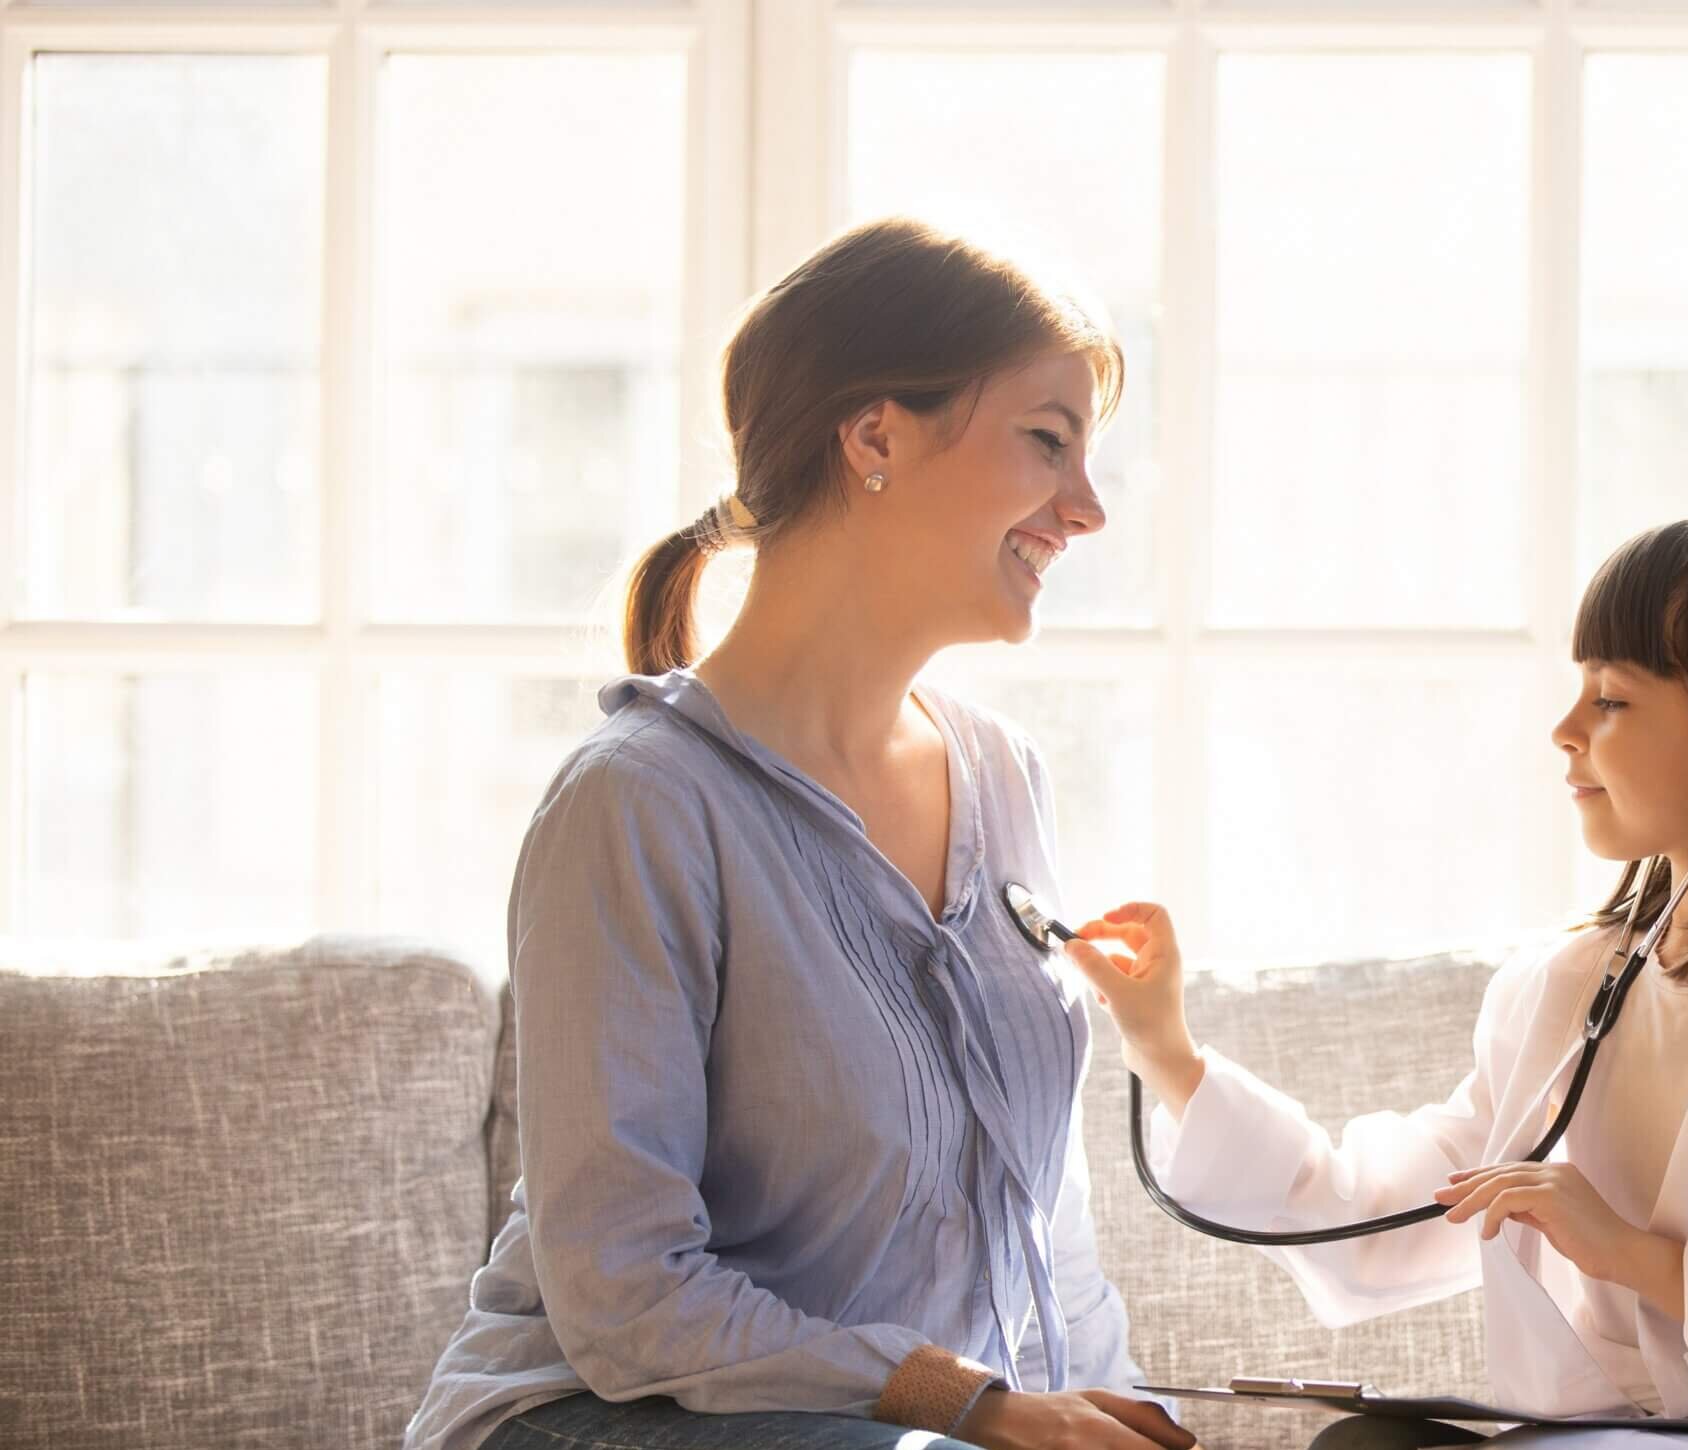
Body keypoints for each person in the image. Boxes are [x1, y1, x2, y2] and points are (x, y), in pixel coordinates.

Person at [404, 218, 1192, 1450]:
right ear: (875, 435)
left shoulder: (1005, 777)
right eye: (1047, 441)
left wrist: (1117, 1407)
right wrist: (969, 1400)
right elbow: (622, 1298)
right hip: (602, 1417)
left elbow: (1044, 1219)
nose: (1085, 510)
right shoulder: (639, 805)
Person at [1063, 518, 1688, 1450]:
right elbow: (1374, 1216)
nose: (1564, 728)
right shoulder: (1566, 986)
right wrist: (1167, 1051)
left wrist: (1629, 1249)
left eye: (1612, 697)